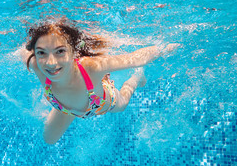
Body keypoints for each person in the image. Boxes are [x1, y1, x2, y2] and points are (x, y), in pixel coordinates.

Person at [21, 19, 179, 144]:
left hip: (100, 103)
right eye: (41, 52)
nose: (50, 62)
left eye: (60, 51)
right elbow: (20, 51)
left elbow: (136, 58)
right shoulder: (35, 64)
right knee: (49, 140)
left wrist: (165, 48)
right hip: (64, 108)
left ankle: (137, 78)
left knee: (122, 104)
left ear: (74, 52)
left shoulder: (91, 68)